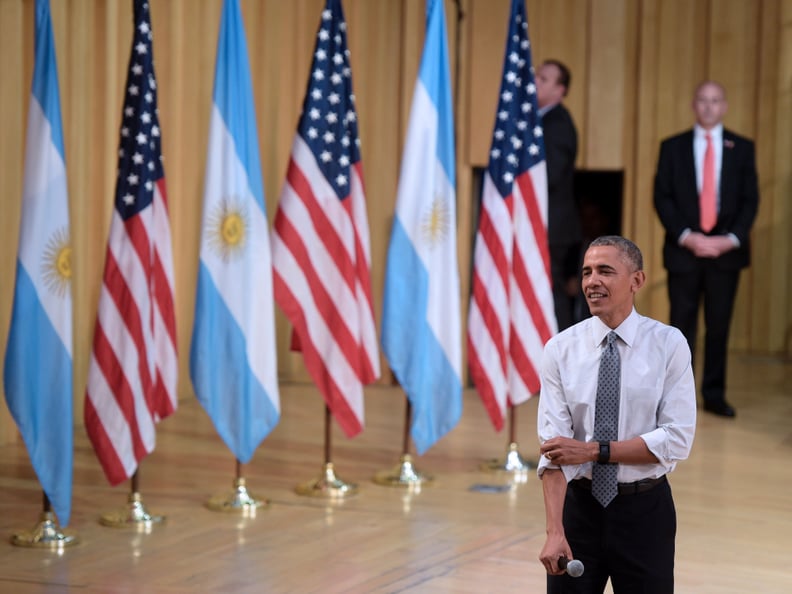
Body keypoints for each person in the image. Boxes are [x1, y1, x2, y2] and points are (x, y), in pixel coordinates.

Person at [537, 235, 696, 593]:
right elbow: (555, 451)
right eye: (587, 272)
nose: (593, 281)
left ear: (636, 281)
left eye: (605, 271)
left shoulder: (669, 345)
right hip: (578, 511)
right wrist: (554, 531)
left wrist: (595, 451)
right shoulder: (559, 350)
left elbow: (677, 439)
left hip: (645, 513)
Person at [653, 81, 759, 418]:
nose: (709, 107)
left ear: (724, 106)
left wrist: (730, 239)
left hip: (725, 255)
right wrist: (686, 235)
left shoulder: (742, 147)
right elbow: (662, 196)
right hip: (684, 252)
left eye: (715, 101)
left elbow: (750, 199)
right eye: (703, 100)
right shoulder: (673, 147)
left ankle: (714, 395)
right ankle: (676, 400)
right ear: (694, 105)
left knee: (719, 326)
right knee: (681, 328)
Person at [536, 59, 581, 331]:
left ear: (560, 90)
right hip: (543, 224)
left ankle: (563, 363)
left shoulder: (558, 124)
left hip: (553, 227)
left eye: (544, 79)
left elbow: (549, 174)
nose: (535, 81)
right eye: (537, 76)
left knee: (552, 295)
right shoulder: (539, 120)